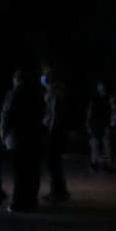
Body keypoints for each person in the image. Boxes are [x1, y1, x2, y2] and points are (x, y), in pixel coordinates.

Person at [0, 67, 44, 211]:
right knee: (33, 171)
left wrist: (3, 135)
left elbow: (6, 116)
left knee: (19, 172)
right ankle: (31, 200)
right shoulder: (36, 94)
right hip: (34, 138)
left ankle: (19, 202)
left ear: (16, 79)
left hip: (17, 139)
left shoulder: (13, 95)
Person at [41, 67, 71, 202]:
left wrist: (51, 133)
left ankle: (57, 192)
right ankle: (59, 190)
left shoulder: (54, 93)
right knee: (54, 163)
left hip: (53, 132)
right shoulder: (54, 92)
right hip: (55, 131)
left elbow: (55, 115)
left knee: (53, 163)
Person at [86, 79, 114, 171]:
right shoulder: (94, 98)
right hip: (95, 123)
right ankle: (94, 162)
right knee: (94, 143)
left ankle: (109, 164)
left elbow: (112, 109)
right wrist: (88, 123)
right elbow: (90, 111)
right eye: (99, 85)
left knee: (106, 142)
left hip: (105, 122)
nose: (100, 87)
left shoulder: (109, 97)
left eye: (101, 85)